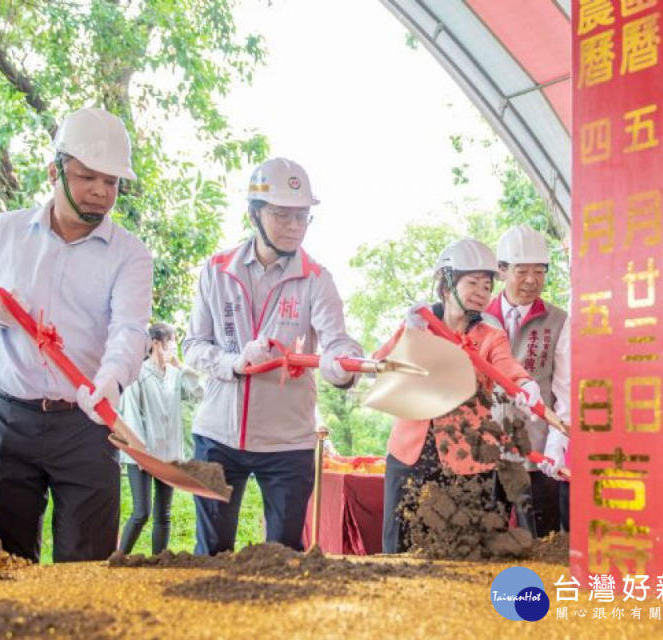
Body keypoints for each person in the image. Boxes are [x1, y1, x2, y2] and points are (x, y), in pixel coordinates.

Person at [0, 106, 152, 562]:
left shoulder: (130, 254)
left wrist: (110, 381)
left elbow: (129, 330)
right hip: (6, 418)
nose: (101, 192)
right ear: (55, 171)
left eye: (111, 182)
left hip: (87, 427)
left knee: (87, 564)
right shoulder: (4, 233)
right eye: (88, 177)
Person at [183, 157, 363, 555]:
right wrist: (233, 363)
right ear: (254, 213)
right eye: (282, 216)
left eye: (302, 217)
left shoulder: (317, 279)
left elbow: (337, 342)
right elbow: (192, 346)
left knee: (284, 556)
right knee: (210, 553)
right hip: (217, 438)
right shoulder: (215, 271)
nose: (295, 227)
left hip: (288, 444)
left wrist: (343, 365)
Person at [382, 237, 541, 553]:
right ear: (446, 284)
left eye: (487, 285)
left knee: (464, 550)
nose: (482, 292)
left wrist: (524, 384)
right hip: (411, 454)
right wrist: (409, 333)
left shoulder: (490, 336)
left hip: (469, 459)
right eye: (473, 283)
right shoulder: (418, 326)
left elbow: (505, 366)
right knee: (399, 548)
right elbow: (382, 365)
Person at [486, 224, 570, 535]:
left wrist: (556, 445)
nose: (532, 280)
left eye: (540, 271)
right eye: (522, 271)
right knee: (481, 543)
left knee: (541, 543)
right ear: (501, 271)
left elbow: (565, 389)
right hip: (485, 453)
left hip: (535, 456)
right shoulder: (479, 317)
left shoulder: (559, 320)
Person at [117, 322, 201, 554]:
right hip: (141, 456)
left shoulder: (175, 375)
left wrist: (181, 366)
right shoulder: (138, 375)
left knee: (163, 515)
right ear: (156, 344)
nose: (175, 346)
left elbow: (199, 393)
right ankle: (117, 559)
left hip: (169, 456)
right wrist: (141, 453)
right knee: (141, 512)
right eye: (171, 341)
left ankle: (158, 564)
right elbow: (131, 415)